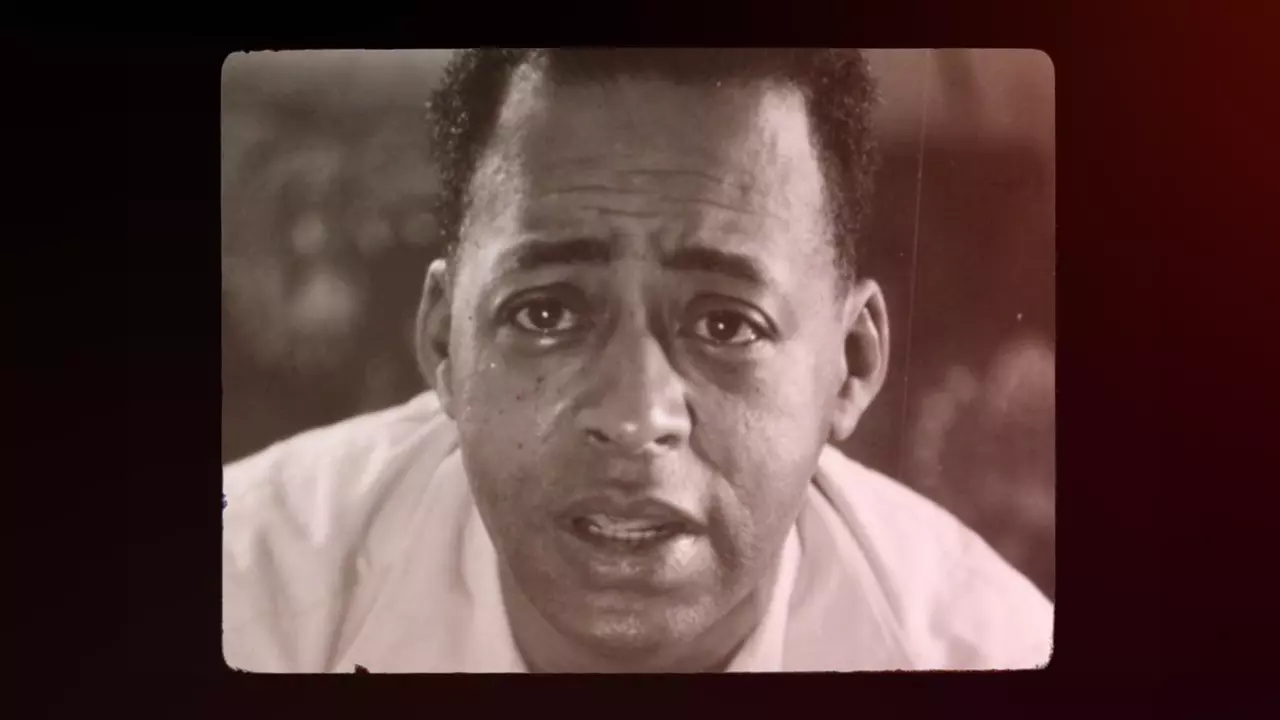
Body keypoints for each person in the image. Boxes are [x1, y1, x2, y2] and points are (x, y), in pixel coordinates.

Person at [222, 48, 1053, 673]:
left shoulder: (993, 658)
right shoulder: (244, 597)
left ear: (852, 362)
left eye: (728, 324)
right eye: (544, 313)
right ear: (445, 341)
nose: (632, 419)